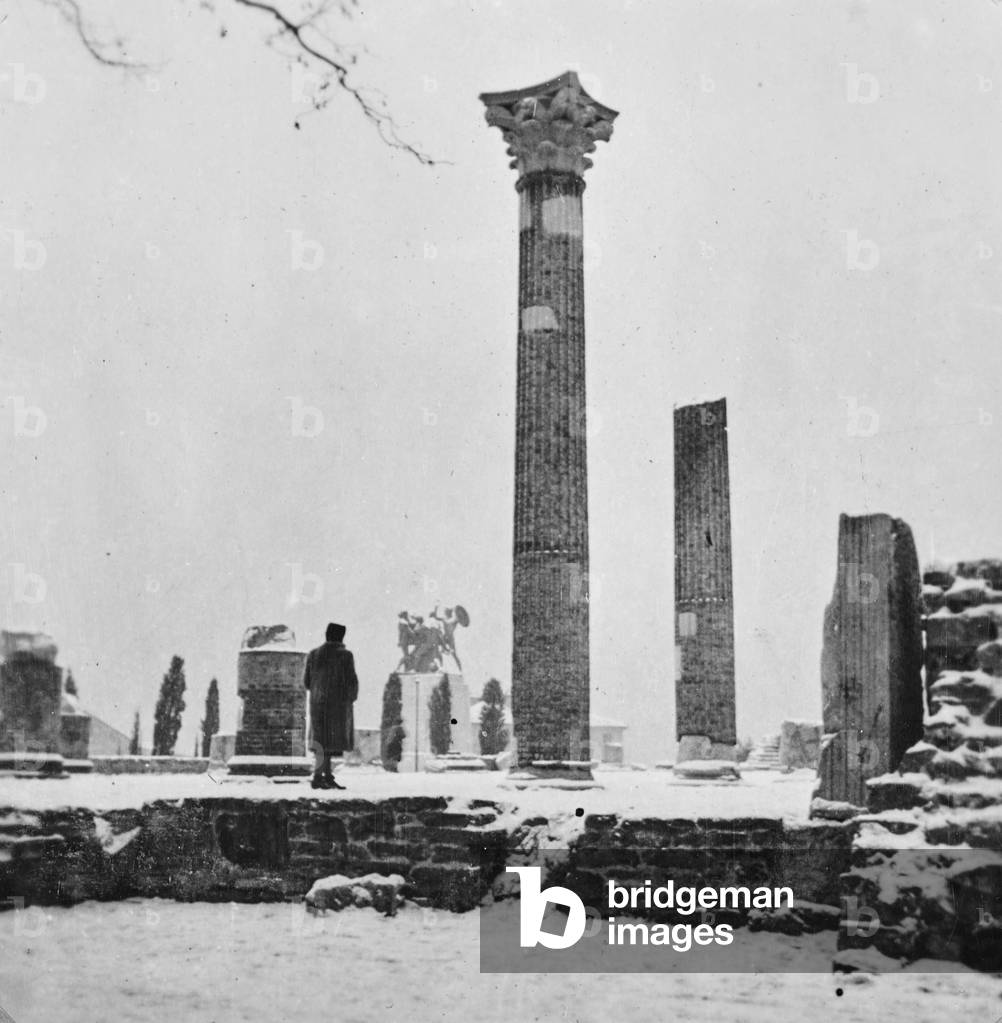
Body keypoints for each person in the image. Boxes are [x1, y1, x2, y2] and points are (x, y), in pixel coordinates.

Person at [304, 622, 358, 790]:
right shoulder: (345, 655)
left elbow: (306, 682)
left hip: (317, 704)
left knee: (321, 742)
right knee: (330, 742)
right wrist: (350, 698)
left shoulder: (313, 654)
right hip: (337, 705)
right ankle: (319, 777)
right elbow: (351, 681)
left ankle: (324, 776)